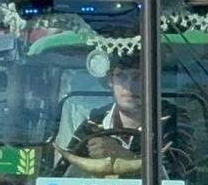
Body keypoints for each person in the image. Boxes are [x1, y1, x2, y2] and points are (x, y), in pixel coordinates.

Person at [53, 50, 194, 178]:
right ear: (110, 80)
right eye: (120, 76)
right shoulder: (95, 123)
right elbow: (59, 177)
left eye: (138, 77)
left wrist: (125, 157)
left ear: (154, 80)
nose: (128, 87)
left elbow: (182, 180)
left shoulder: (174, 121)